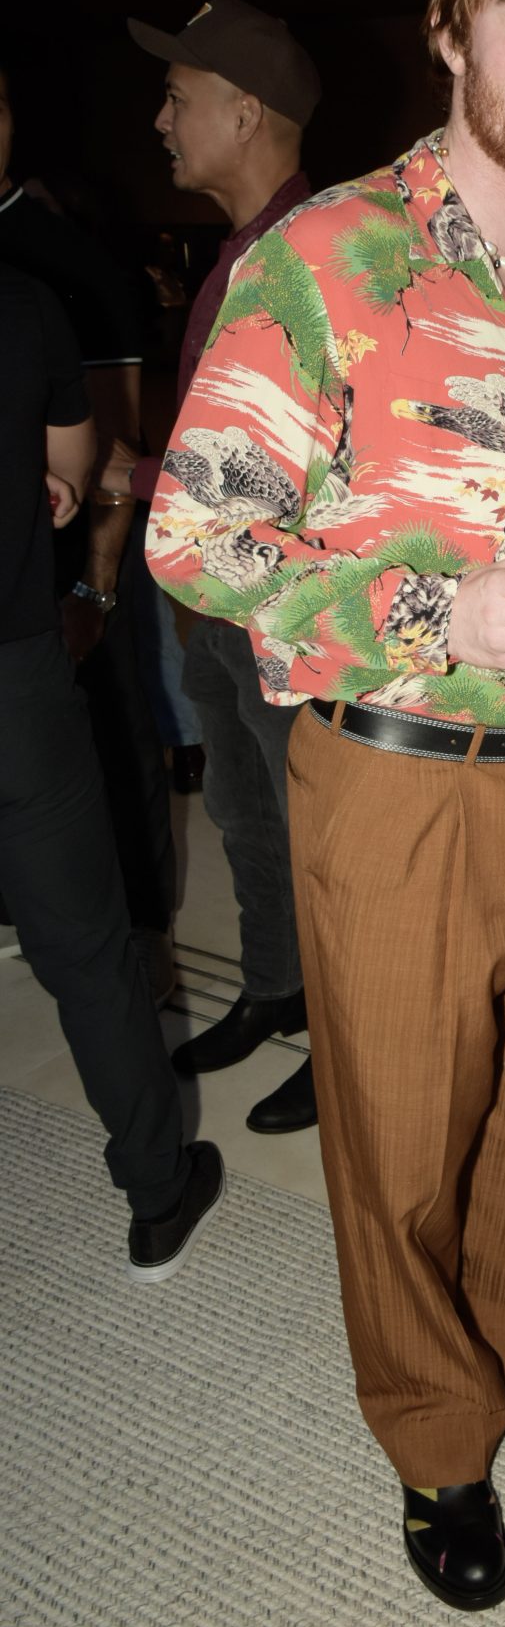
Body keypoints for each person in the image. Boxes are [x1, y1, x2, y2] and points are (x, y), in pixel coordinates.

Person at [146, 0, 505, 1610]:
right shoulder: (332, 251)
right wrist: (440, 614)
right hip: (395, 778)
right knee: (407, 1137)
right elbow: (194, 536)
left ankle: (503, 1347)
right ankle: (436, 1435)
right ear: (450, 30)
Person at [109, 0, 322, 1129]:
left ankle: (345, 1037)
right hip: (219, 601)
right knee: (242, 814)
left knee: (311, 833)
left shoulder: (309, 255)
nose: (160, 120)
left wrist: (134, 474)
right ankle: (275, 985)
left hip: (285, 609)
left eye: (177, 98)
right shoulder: (240, 251)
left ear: (244, 114)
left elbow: (273, 469)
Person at [0, 261, 223, 1280]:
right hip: (13, 676)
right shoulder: (19, 298)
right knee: (88, 946)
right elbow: (71, 465)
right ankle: (157, 1193)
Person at [0, 59, 177, 1004]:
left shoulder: (59, 262)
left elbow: (113, 449)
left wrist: (96, 587)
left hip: (65, 578)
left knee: (113, 735)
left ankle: (138, 946)